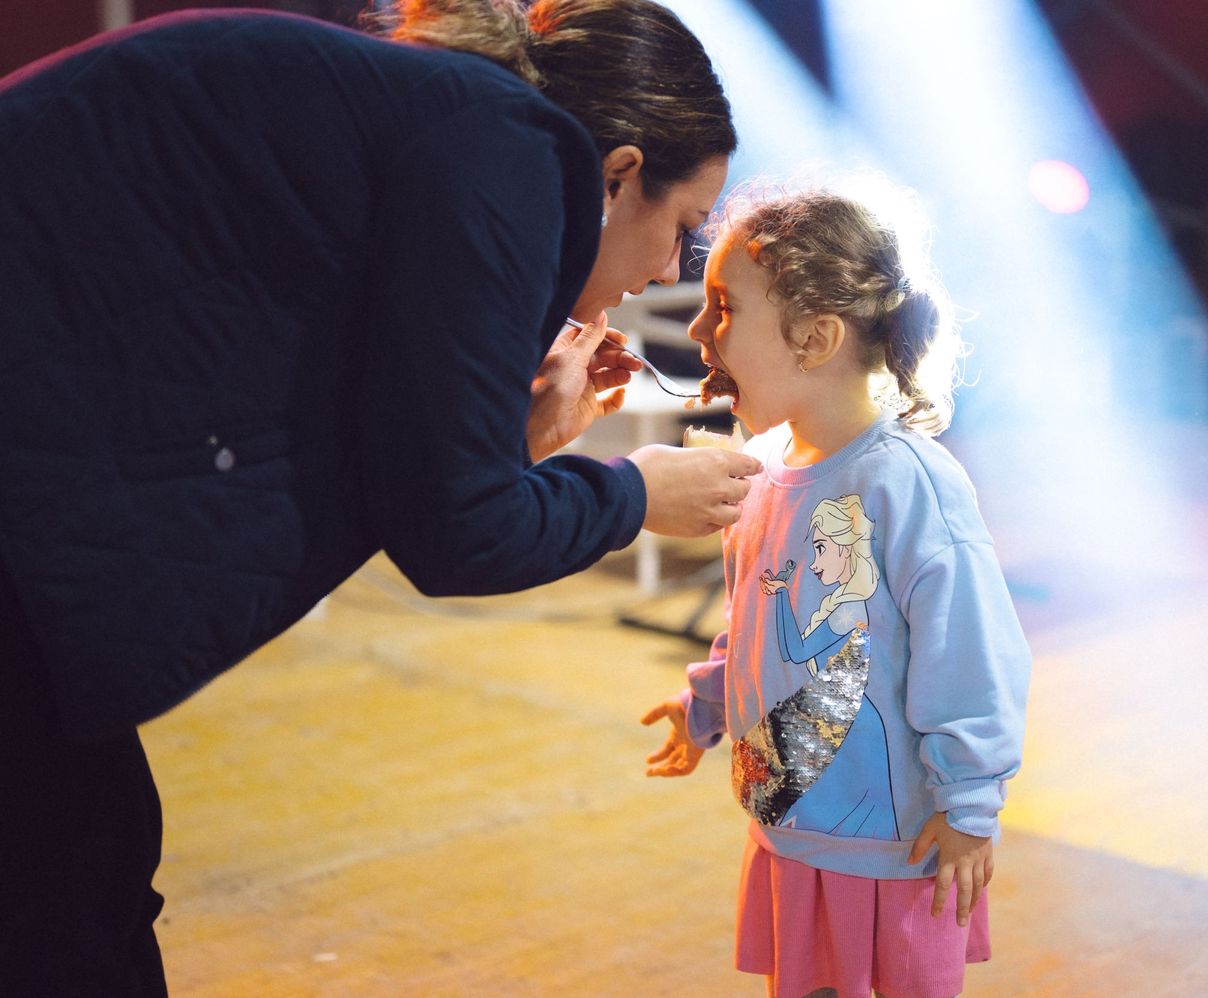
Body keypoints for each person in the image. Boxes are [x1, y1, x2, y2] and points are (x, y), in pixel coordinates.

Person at [0, 0, 760, 992]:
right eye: (682, 231)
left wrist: (517, 443)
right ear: (618, 174)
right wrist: (631, 493)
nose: (664, 274)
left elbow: (383, 459)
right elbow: (454, 533)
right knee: (72, 891)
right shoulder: (512, 147)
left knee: (81, 859)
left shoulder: (447, 122)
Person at [641, 186, 1032, 998]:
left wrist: (969, 802)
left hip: (896, 850)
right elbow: (755, 621)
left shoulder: (907, 482)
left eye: (724, 307)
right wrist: (706, 704)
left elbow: (972, 650)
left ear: (815, 338)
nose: (699, 330)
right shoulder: (762, 467)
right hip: (791, 829)